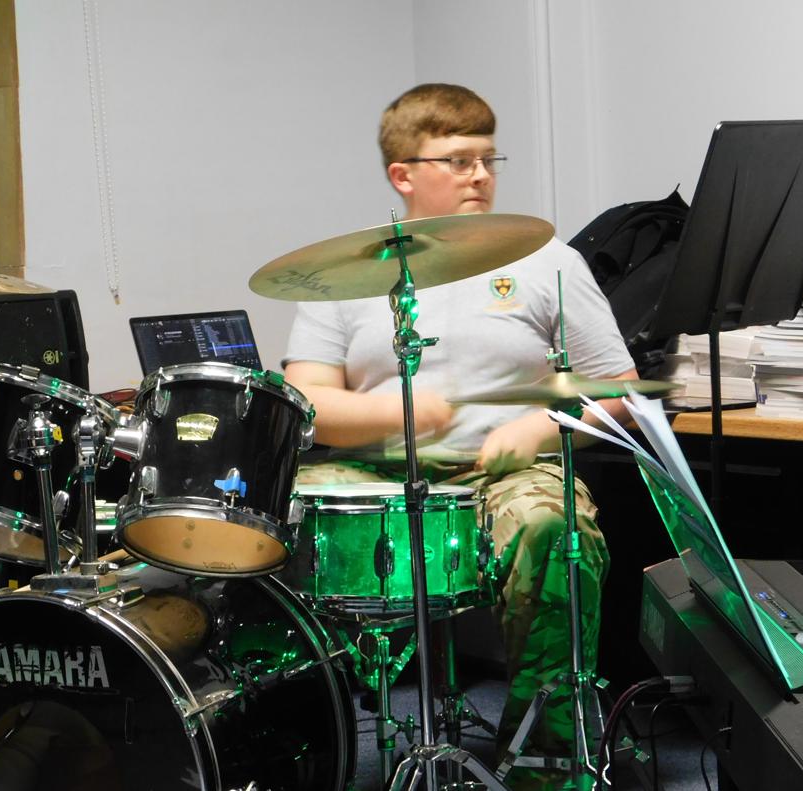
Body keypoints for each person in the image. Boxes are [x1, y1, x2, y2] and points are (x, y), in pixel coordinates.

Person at [282, 83, 638, 789]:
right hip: (379, 471)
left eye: (487, 159)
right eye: (457, 161)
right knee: (271, 520)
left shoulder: (547, 261)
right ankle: (298, 743)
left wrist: (539, 423)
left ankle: (543, 760)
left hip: (506, 472)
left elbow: (617, 388)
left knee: (555, 529)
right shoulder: (346, 273)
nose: (479, 175)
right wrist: (402, 414)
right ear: (403, 175)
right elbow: (307, 399)